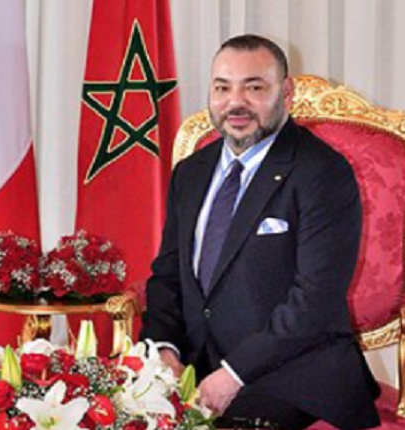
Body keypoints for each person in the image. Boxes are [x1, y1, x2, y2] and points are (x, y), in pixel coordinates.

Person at [140, 34, 380, 430]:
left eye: (254, 88)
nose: (236, 103)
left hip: (293, 374)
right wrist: (164, 350)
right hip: (198, 366)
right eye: (222, 88)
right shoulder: (191, 172)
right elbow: (168, 275)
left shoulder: (322, 172)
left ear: (286, 92)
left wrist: (233, 374)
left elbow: (315, 300)